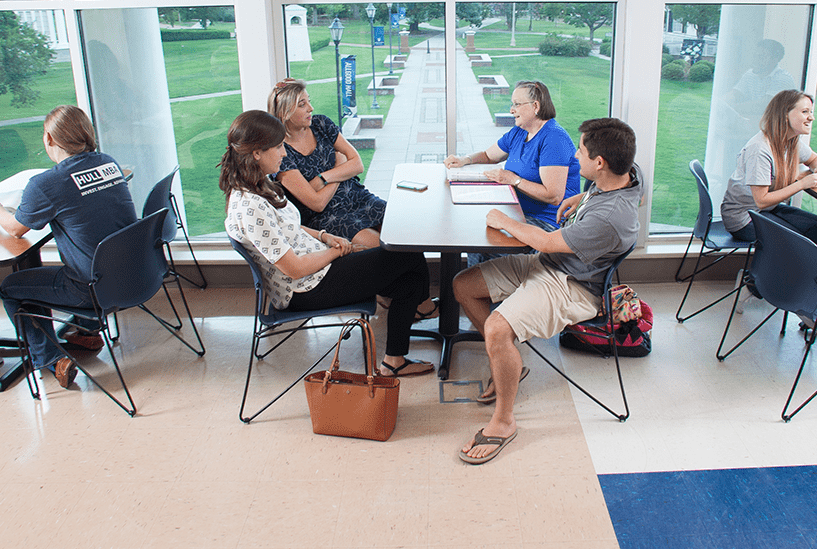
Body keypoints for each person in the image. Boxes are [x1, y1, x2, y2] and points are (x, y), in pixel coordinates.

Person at [450, 117, 642, 464]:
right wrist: (585, 196)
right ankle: (508, 360)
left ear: (600, 163)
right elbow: (621, 186)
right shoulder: (625, 172)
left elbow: (547, 242)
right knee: (463, 285)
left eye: (581, 152)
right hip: (554, 265)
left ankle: (504, 422)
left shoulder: (610, 217)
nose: (574, 156)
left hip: (573, 285)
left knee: (496, 327)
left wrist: (504, 221)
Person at [222, 110, 435, 378]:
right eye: (278, 147)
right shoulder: (249, 206)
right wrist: (335, 254)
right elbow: (295, 269)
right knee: (406, 255)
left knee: (408, 279)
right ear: (256, 153)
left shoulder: (258, 185)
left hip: (317, 270)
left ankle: (394, 360)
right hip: (305, 288)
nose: (284, 154)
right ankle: (414, 325)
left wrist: (323, 236)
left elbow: (289, 227)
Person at [0, 105, 136, 389]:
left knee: (12, 289)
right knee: (82, 259)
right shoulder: (108, 163)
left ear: (48, 138)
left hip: (92, 288)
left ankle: (50, 359)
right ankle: (87, 332)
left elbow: (15, 229)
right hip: (135, 274)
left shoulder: (46, 184)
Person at [443, 80, 581, 265]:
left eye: (516, 104)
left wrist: (513, 180)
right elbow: (488, 155)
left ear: (535, 106)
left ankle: (478, 289)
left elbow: (553, 196)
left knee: (481, 243)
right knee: (474, 233)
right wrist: (464, 159)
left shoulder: (554, 139)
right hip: (518, 212)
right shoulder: (519, 132)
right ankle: (474, 290)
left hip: (546, 224)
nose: (511, 110)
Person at [268, 78, 386, 250]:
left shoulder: (321, 124)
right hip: (328, 217)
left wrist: (323, 178)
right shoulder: (281, 153)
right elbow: (317, 203)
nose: (311, 108)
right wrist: (340, 169)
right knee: (382, 248)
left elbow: (357, 164)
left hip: (357, 197)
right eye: (302, 104)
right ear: (284, 113)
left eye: (309, 101)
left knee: (401, 235)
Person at [718, 89, 817, 256]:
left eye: (811, 112)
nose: (811, 117)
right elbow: (762, 201)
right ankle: (784, 279)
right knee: (803, 239)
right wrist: (802, 184)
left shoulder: (790, 141)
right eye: (805, 112)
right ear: (785, 114)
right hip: (743, 218)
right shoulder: (760, 150)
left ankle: (812, 279)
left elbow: (813, 159)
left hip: (765, 210)